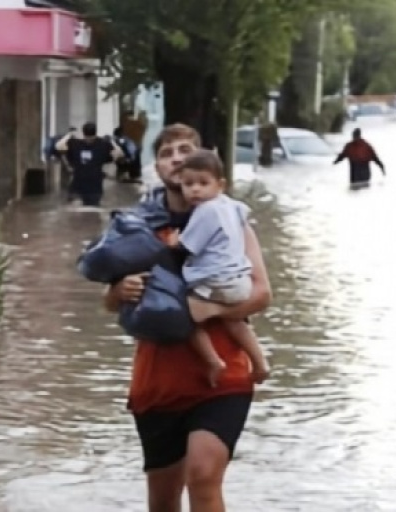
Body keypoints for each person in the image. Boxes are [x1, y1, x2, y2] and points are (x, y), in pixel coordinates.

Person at [103, 123, 272, 512]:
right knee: (163, 502)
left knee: (203, 475)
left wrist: (212, 309)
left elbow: (262, 294)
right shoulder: (137, 227)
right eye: (166, 153)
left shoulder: (232, 222)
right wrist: (117, 292)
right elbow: (110, 304)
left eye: (185, 150)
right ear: (157, 167)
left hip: (224, 374)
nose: (176, 158)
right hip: (158, 380)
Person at [164, 149, 270, 387]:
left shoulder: (205, 211)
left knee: (186, 317)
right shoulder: (230, 206)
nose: (195, 190)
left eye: (203, 183)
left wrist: (173, 242)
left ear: (220, 184)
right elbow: (244, 214)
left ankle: (213, 361)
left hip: (215, 281)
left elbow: (188, 246)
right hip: (239, 281)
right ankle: (260, 361)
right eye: (189, 184)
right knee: (235, 321)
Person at [55, 122, 124, 206]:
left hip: (92, 189)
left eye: (90, 138)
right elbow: (59, 147)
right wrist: (69, 135)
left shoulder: (101, 144)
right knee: (81, 212)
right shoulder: (78, 143)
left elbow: (120, 154)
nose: (89, 140)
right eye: (88, 138)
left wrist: (69, 135)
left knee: (85, 212)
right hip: (83, 188)